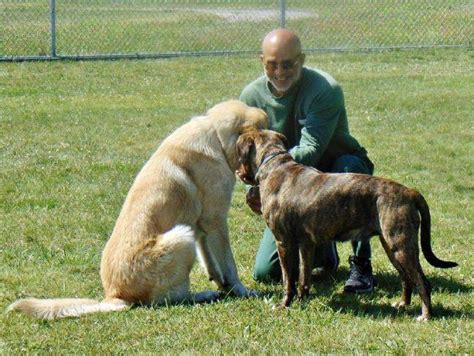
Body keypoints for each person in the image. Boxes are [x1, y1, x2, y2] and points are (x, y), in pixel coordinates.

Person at [239, 28, 375, 293]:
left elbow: (311, 149)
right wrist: (253, 188)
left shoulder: (325, 89)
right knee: (266, 273)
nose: (280, 71)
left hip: (332, 171)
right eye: (272, 64)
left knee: (351, 170)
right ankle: (324, 253)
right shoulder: (250, 99)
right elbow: (247, 154)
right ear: (261, 61)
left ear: (302, 59)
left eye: (288, 64)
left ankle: (361, 265)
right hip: (288, 185)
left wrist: (265, 176)